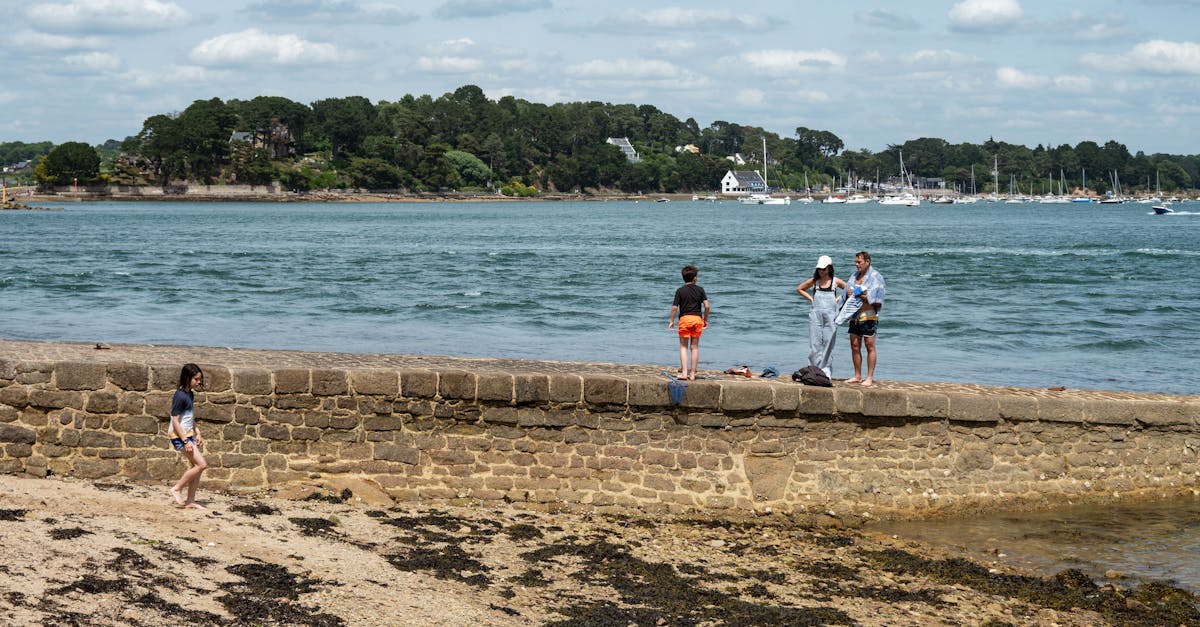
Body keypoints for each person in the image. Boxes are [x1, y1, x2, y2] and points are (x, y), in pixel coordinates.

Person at [841, 251, 886, 387]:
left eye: (859, 262)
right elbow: (845, 293)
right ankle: (857, 375)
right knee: (854, 345)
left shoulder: (876, 277)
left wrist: (860, 294)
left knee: (869, 345)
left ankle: (869, 377)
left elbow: (878, 299)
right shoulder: (854, 276)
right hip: (855, 315)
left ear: (867, 262)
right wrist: (848, 293)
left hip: (869, 315)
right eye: (855, 262)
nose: (856, 264)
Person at [797, 255, 846, 379]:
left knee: (828, 344)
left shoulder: (835, 281)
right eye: (819, 269)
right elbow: (800, 289)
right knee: (815, 344)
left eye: (823, 269)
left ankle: (825, 372)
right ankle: (813, 369)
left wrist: (838, 299)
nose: (821, 271)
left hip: (831, 315)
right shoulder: (815, 281)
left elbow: (849, 290)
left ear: (829, 268)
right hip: (815, 315)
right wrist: (811, 299)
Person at [169, 363, 207, 509]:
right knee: (201, 464)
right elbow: (175, 420)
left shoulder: (190, 394)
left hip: (188, 434)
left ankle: (190, 501)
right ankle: (177, 488)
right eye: (196, 379)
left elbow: (189, 417)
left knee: (196, 467)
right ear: (187, 378)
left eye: (199, 379)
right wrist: (185, 441)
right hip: (179, 436)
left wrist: (198, 432)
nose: (199, 382)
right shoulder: (180, 396)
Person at [668, 264, 710, 381]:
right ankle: (692, 374)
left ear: (683, 278)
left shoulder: (680, 290)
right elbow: (707, 306)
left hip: (685, 319)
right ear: (695, 278)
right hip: (697, 319)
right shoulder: (700, 289)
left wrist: (672, 321)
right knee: (694, 347)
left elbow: (674, 308)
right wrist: (705, 320)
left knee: (683, 347)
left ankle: (684, 373)